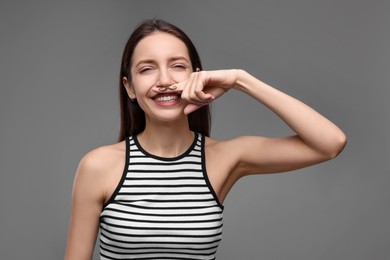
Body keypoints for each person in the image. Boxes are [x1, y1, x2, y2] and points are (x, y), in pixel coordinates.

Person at [65, 19, 346, 260]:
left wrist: (239, 79)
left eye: (177, 66)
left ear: (197, 75)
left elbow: (330, 143)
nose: (164, 80)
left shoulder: (224, 158)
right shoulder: (98, 166)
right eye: (147, 69)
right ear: (129, 87)